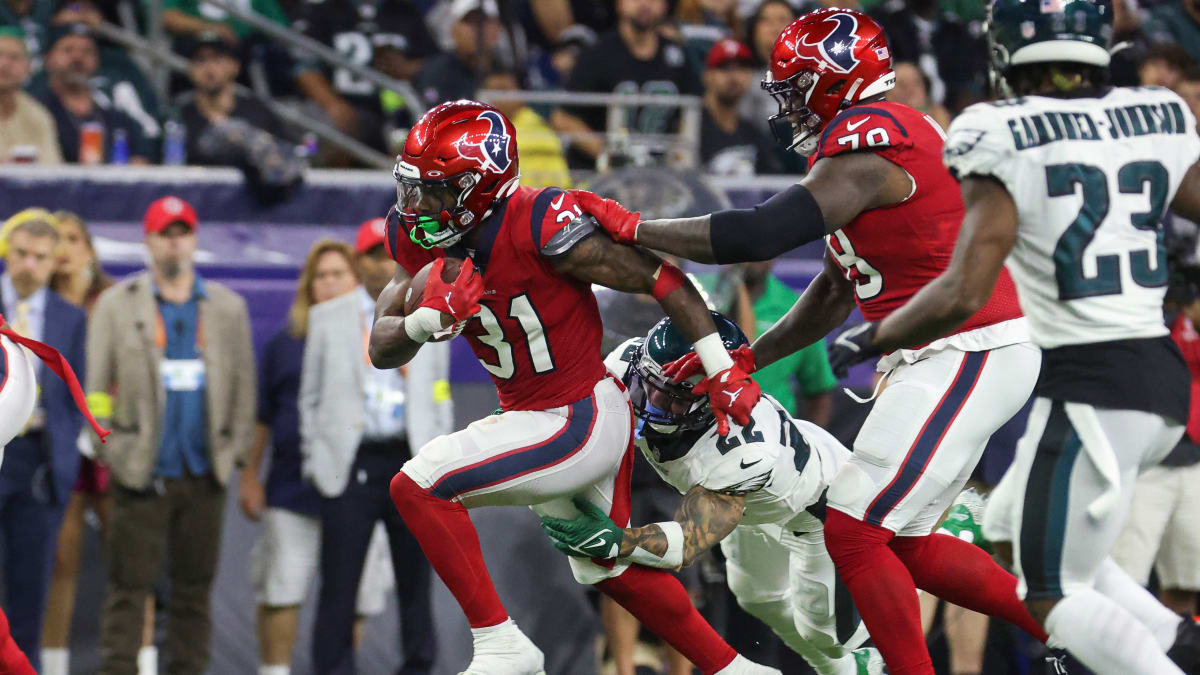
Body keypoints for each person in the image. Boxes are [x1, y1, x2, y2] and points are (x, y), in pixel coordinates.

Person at [578, 9, 1055, 674]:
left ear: (838, 81)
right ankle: (1061, 623)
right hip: (938, 352)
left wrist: (634, 226)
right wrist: (750, 357)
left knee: (856, 532)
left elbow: (752, 235)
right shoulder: (858, 153)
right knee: (902, 540)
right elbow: (836, 288)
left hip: (971, 342)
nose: (788, 101)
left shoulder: (871, 143)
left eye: (799, 84)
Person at [860, 0, 1200, 672]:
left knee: (1053, 596)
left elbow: (963, 286)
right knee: (1008, 530)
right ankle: (1178, 643)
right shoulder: (1157, 111)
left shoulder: (999, 127)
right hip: (1149, 372)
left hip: (1094, 384)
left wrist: (874, 337)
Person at [378, 99, 771, 675]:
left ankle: (500, 644)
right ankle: (734, 668)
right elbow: (381, 345)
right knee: (604, 566)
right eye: (414, 188)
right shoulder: (418, 236)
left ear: (478, 186)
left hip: (575, 416)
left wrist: (721, 367)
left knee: (419, 487)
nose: (419, 206)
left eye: (436, 190)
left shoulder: (538, 222)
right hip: (537, 414)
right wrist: (421, 323)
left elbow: (662, 279)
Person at [542, 313, 888, 675]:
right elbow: (585, 399)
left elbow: (685, 545)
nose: (652, 402)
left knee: (828, 636)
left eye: (673, 399)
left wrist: (619, 540)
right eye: (651, 386)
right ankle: (842, 671)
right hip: (756, 503)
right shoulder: (630, 360)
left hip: (821, 504)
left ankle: (917, 559)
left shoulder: (741, 452)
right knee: (758, 598)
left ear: (711, 403)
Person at [88, 196, 256, 675]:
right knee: (127, 592)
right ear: (148, 240)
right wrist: (112, 450)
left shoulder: (227, 308)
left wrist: (234, 451)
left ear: (195, 239)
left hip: (204, 472)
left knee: (193, 595)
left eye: (183, 232)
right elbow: (96, 389)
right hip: (140, 469)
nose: (175, 241)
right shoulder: (117, 306)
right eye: (166, 232)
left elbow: (245, 388)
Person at [240, 238, 397, 675]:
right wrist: (251, 474)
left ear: (356, 279)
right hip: (292, 486)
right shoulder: (286, 342)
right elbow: (262, 417)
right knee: (281, 587)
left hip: (360, 485)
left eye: (337, 275)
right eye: (320, 277)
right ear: (308, 286)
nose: (328, 284)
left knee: (354, 593)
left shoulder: (381, 336)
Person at [301, 219, 446, 675]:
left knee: (416, 583)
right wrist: (316, 458)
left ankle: (418, 667)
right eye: (370, 254)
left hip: (412, 459)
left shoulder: (430, 313)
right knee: (339, 585)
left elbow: (438, 391)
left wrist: (441, 457)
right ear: (357, 261)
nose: (381, 263)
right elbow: (310, 398)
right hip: (352, 460)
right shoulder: (328, 316)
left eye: (388, 254)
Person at [0, 211, 109, 675]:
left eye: (41, 258)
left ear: (54, 263)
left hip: (41, 461)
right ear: (8, 253)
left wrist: (69, 456)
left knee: (31, 592)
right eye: (22, 254)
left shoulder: (69, 316)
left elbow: (76, 388)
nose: (29, 265)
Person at [41, 211, 114, 675]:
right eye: (57, 240)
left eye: (73, 238)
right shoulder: (33, 306)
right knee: (61, 559)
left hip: (109, 441)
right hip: (60, 442)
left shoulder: (112, 300)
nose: (64, 248)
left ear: (89, 248)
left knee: (128, 561)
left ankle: (139, 660)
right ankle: (53, 664)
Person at [550, 0, 702, 167]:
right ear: (619, 4)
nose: (645, 5)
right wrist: (606, 155)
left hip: (660, 174)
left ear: (665, 6)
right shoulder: (597, 54)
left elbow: (692, 113)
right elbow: (563, 118)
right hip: (599, 177)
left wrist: (678, 159)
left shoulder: (677, 55)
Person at [293, 0, 438, 156]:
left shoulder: (405, 12)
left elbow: (436, 64)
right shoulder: (324, 11)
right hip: (346, 106)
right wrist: (333, 105)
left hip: (397, 112)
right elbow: (305, 68)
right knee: (330, 134)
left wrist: (407, 68)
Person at [34, 23, 151, 164]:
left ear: (97, 61)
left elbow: (140, 163)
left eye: (87, 51)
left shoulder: (119, 121)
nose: (78, 57)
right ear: (48, 59)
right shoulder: (36, 112)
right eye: (68, 50)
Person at [175, 32, 286, 166]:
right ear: (190, 69)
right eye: (200, 60)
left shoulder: (258, 113)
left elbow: (289, 155)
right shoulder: (178, 116)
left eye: (217, 59)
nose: (209, 68)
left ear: (234, 66)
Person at [699, 39, 780, 176]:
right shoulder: (692, 127)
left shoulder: (752, 132)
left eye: (742, 69)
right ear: (707, 76)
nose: (734, 77)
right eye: (724, 68)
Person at [482, 69, 572, 189]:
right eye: (491, 91)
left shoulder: (535, 125)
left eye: (503, 90)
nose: (496, 98)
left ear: (521, 93)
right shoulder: (483, 129)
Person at [415, 0, 502, 106]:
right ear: (453, 30)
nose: (477, 29)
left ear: (497, 29)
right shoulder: (437, 73)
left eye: (483, 21)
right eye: (469, 22)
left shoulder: (505, 72)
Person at [0, 27, 61, 163]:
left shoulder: (38, 115)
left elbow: (52, 170)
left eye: (14, 57)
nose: (4, 64)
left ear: (28, 68)